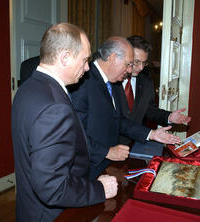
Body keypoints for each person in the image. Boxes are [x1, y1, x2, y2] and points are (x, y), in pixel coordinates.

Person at [11, 23, 118, 222]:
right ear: (65, 57)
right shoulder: (54, 106)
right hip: (53, 215)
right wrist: (99, 189)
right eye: (85, 60)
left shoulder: (27, 87)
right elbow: (53, 187)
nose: (87, 68)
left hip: (29, 209)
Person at [70, 36, 181, 180]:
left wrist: (151, 134)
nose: (130, 70)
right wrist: (106, 152)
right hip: (86, 168)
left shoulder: (113, 81)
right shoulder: (83, 80)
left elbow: (118, 120)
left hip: (107, 164)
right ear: (113, 58)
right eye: (129, 64)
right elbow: (74, 133)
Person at [117, 35, 191, 145]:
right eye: (137, 62)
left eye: (144, 62)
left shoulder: (146, 82)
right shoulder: (111, 80)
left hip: (133, 144)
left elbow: (150, 110)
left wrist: (169, 116)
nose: (141, 68)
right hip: (108, 146)